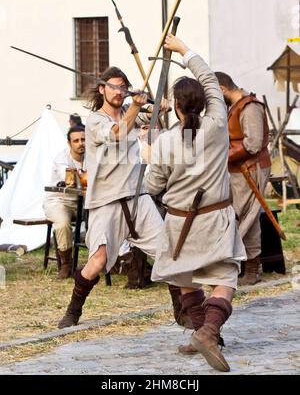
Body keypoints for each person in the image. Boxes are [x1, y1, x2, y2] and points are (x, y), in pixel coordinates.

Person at [142, 35, 246, 372]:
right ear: (204, 102)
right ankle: (207, 332)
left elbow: (152, 185)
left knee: (185, 278)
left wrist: (151, 155)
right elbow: (211, 81)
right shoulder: (216, 125)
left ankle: (205, 332)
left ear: (175, 105)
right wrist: (184, 50)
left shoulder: (165, 141)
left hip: (180, 222)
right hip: (214, 220)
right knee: (226, 277)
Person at [57, 66, 169, 329]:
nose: (119, 92)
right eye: (114, 87)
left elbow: (151, 118)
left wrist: (160, 105)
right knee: (97, 261)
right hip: (106, 201)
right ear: (102, 89)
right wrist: (136, 108)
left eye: (123, 87)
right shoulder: (95, 121)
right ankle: (73, 311)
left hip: (137, 197)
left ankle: (185, 313)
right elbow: (117, 133)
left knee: (169, 253)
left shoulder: (133, 114)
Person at [215, 72, 271, 285]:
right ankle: (245, 265)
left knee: (246, 217)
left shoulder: (249, 107)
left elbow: (253, 143)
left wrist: (223, 156)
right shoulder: (236, 106)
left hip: (251, 169)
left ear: (221, 88)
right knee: (243, 216)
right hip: (239, 169)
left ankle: (251, 267)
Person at [43, 126, 86, 279]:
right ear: (69, 143)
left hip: (83, 201)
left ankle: (112, 260)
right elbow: (70, 179)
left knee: (106, 216)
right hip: (59, 200)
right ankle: (66, 263)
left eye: (83, 139)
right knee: (62, 222)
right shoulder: (62, 158)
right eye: (76, 141)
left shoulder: (92, 156)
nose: (81, 143)